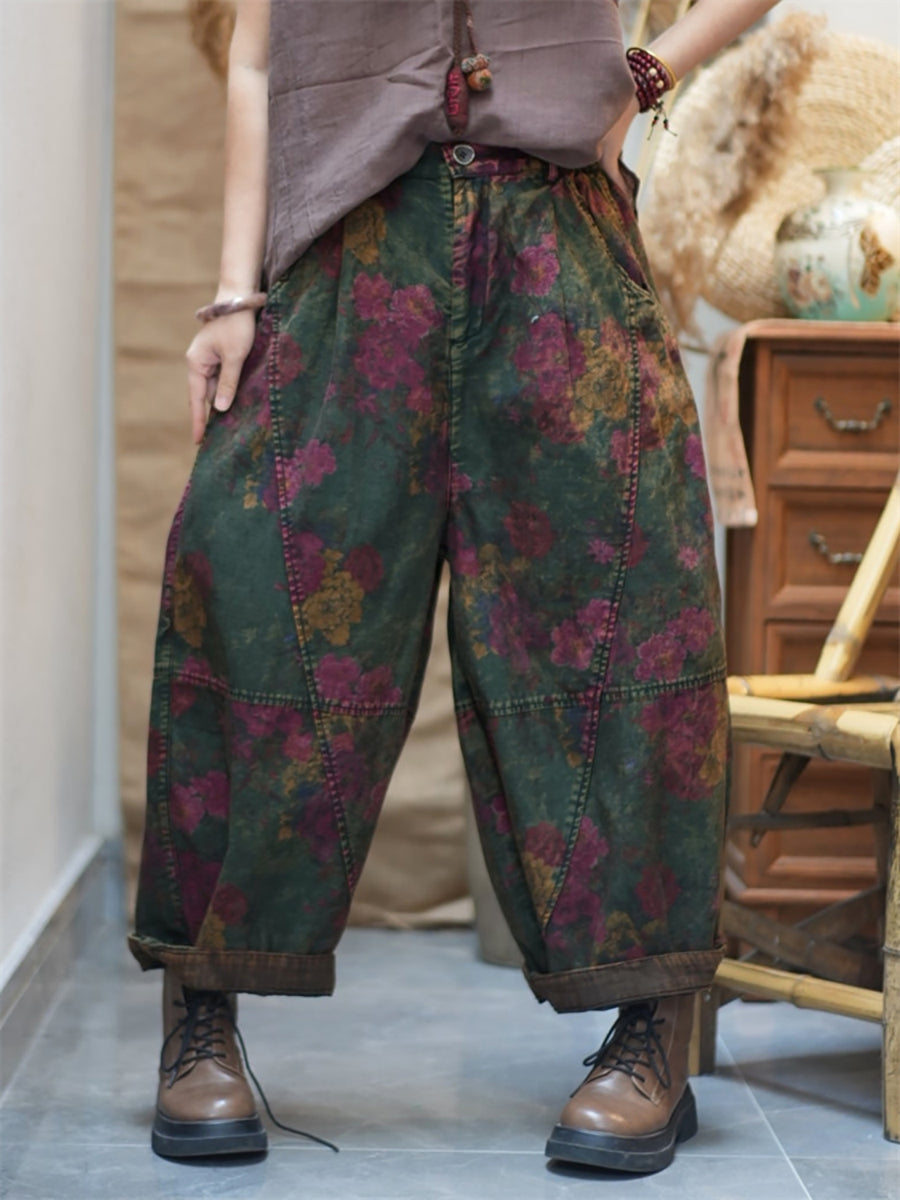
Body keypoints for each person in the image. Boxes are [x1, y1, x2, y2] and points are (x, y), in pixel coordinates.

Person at [129, 0, 781, 1174]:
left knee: (619, 627)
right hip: (347, 254)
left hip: (560, 249)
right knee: (254, 605)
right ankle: (201, 1014)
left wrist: (643, 73)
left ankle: (648, 1035)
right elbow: (259, 56)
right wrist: (234, 294)